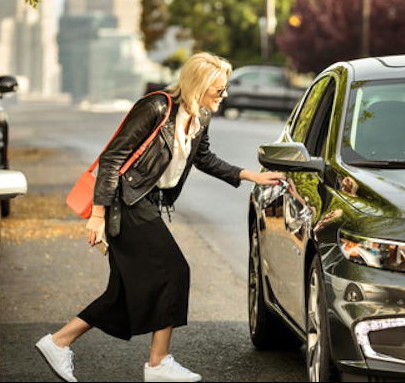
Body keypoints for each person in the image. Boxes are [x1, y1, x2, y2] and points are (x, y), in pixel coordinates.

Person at [35, 52, 285, 382]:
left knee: (123, 292)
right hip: (127, 203)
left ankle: (59, 342)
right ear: (200, 84)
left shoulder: (200, 117)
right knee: (174, 270)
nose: (224, 95)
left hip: (147, 202)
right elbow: (112, 159)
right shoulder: (155, 107)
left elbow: (204, 158)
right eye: (219, 89)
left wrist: (250, 176)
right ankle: (157, 363)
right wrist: (97, 214)